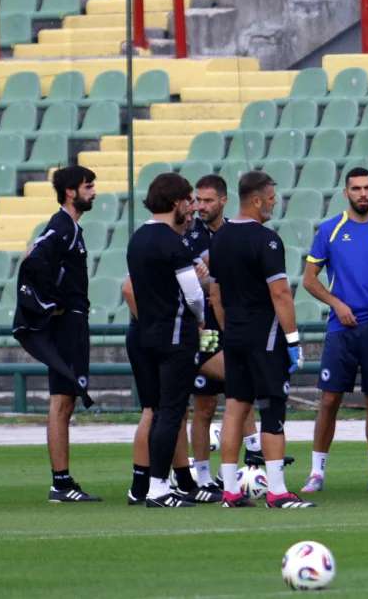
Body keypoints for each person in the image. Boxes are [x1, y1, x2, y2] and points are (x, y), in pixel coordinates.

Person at [210, 171, 314, 509]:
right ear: (256, 200)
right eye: (270, 198)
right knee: (272, 409)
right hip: (265, 337)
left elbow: (215, 294)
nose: (274, 203)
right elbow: (280, 293)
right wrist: (293, 341)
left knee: (234, 410)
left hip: (235, 335)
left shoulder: (220, 238)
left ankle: (230, 491)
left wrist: (229, 330)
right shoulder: (267, 240)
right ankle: (277, 491)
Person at [301, 167, 368, 493]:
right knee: (329, 400)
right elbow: (309, 280)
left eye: (367, 187)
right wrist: (337, 304)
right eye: (356, 188)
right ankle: (316, 473)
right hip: (341, 328)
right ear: (346, 193)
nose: (362, 193)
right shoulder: (331, 230)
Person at [126, 173, 222, 507]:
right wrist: (200, 317)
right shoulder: (174, 242)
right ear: (176, 202)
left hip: (145, 335)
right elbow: (193, 294)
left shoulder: (137, 238)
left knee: (156, 411)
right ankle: (158, 489)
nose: (192, 207)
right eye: (188, 201)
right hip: (176, 335)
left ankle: (153, 486)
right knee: (171, 412)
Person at [13, 166, 100, 502]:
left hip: (73, 322)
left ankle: (62, 482)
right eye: (88, 187)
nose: (94, 192)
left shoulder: (69, 228)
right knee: (62, 400)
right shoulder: (62, 227)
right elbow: (34, 260)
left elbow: (34, 255)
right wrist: (54, 304)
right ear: (70, 192)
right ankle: (61, 484)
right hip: (68, 325)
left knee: (66, 399)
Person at [183, 175, 269, 492]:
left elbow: (221, 275)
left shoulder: (233, 230)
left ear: (224, 200)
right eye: (198, 200)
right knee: (210, 402)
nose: (201, 206)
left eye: (207, 200)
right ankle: (209, 473)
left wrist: (213, 277)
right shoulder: (192, 236)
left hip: (231, 324)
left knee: (236, 389)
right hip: (204, 328)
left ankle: (237, 464)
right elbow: (207, 279)